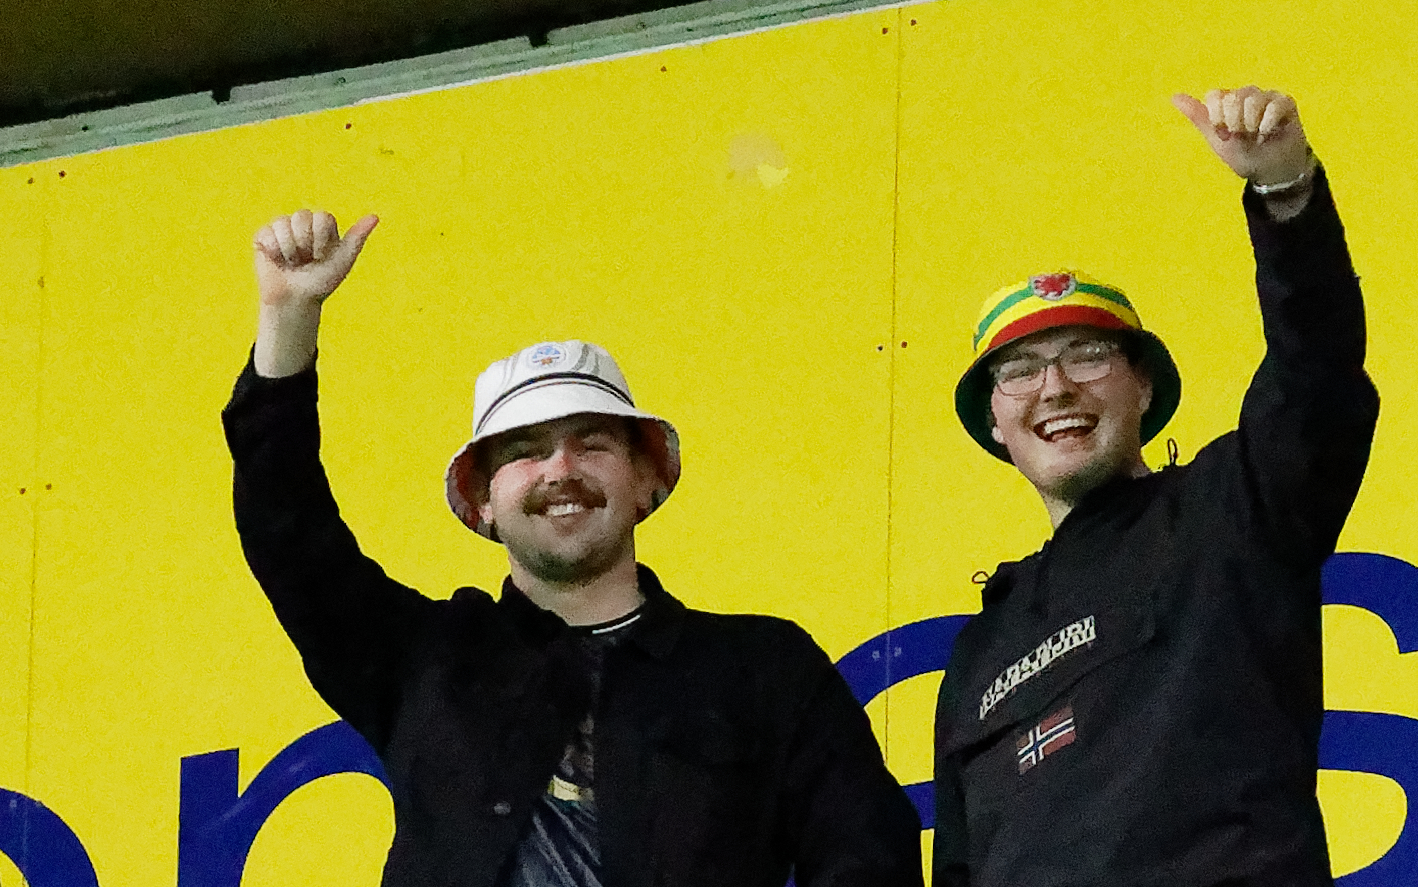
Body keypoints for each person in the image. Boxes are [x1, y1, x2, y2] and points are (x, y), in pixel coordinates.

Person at [222, 210, 922, 887]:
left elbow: (868, 856)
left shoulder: (764, 670)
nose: (560, 470)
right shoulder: (421, 662)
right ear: (482, 500)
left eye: (590, 441)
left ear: (648, 477)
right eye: (525, 452)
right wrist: (289, 317)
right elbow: (288, 529)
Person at [932, 87, 1380, 886]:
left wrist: (1284, 192)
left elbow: (1315, 372)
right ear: (993, 423)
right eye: (1021, 371)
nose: (1055, 387)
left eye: (1087, 356)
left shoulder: (1228, 507)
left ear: (1144, 387)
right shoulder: (977, 652)